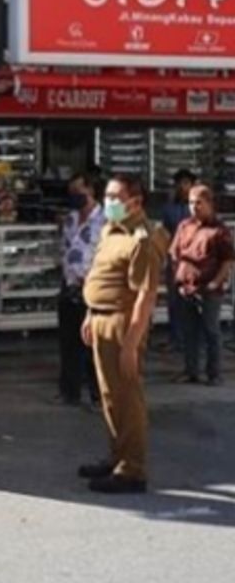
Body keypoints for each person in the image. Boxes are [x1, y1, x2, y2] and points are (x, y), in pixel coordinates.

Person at [78, 174, 168, 494]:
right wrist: (91, 313)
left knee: (127, 398)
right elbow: (101, 276)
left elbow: (145, 296)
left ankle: (132, 469)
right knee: (109, 396)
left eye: (117, 197)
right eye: (108, 196)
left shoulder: (142, 238)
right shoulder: (110, 230)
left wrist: (131, 342)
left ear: (136, 201)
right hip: (101, 319)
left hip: (122, 323)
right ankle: (117, 456)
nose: (110, 202)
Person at [170, 183, 233, 386]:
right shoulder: (184, 226)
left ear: (209, 203)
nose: (194, 207)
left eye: (199, 202)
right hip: (186, 287)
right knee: (189, 333)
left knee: (211, 331)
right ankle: (191, 371)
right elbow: (175, 254)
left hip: (209, 289)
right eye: (190, 202)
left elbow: (227, 261)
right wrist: (178, 278)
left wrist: (215, 283)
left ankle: (214, 374)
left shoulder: (219, 230)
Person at [58, 173, 106, 406]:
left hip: (94, 288)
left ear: (91, 190)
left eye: (78, 191)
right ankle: (70, 391)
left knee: (93, 344)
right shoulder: (70, 219)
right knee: (69, 342)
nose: (74, 196)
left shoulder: (106, 218)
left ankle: (98, 392)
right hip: (69, 286)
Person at [160, 169, 195, 352]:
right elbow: (166, 233)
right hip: (174, 260)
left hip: (194, 261)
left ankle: (192, 340)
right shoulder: (169, 208)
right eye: (180, 184)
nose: (183, 187)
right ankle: (175, 338)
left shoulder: (197, 207)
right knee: (174, 301)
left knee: (192, 301)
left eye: (186, 183)